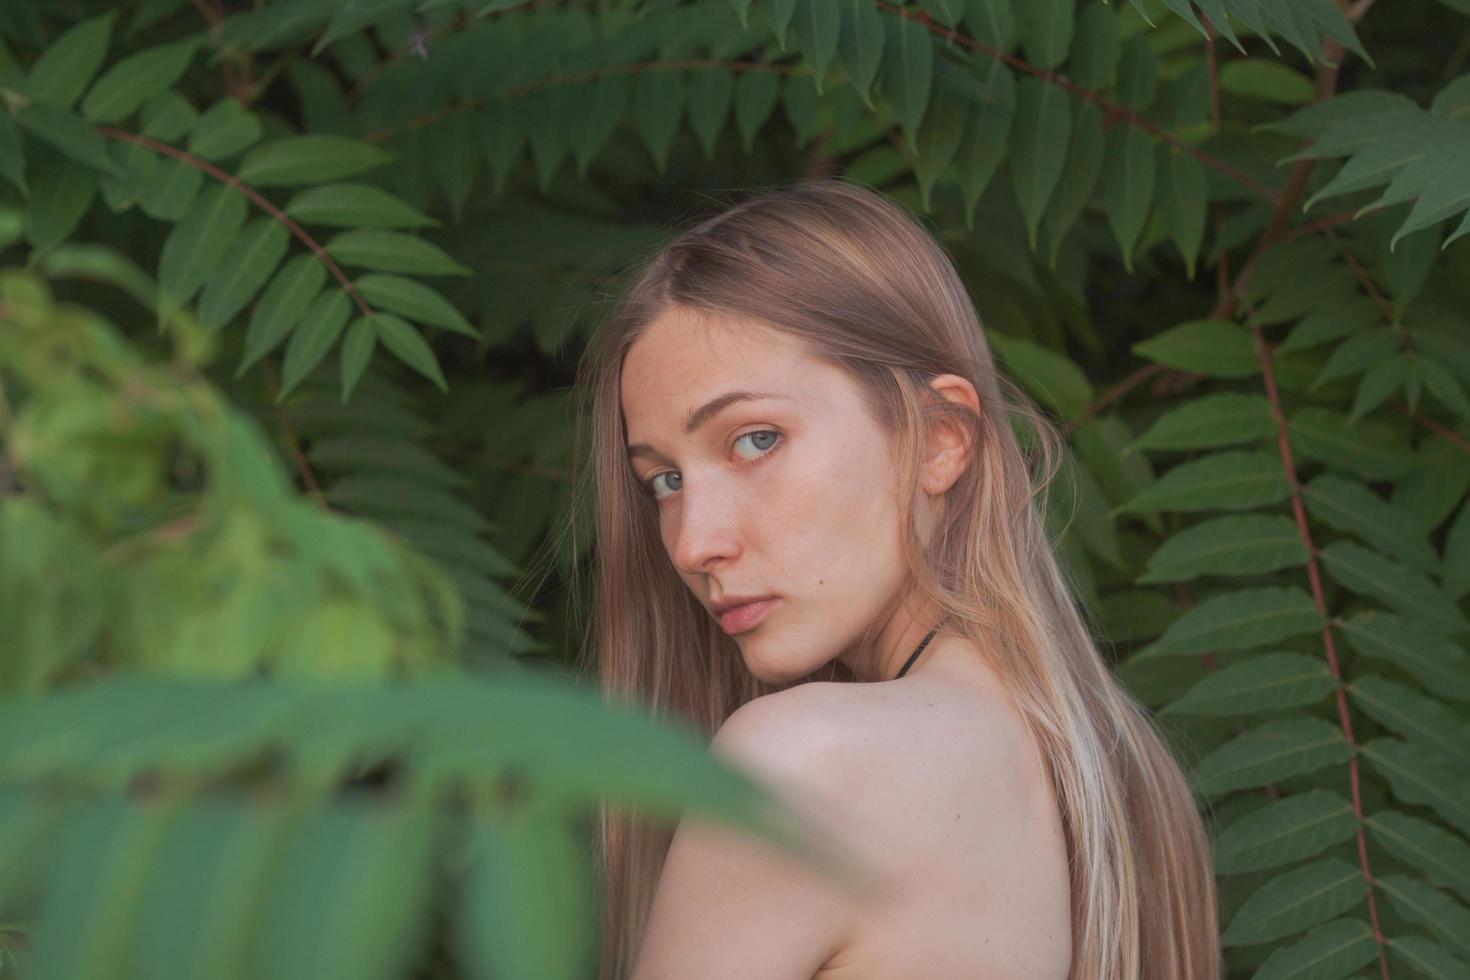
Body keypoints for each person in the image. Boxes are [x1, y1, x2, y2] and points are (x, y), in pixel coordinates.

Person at [567, 177, 1220, 979]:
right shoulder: (1124, 786)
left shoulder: (803, 764)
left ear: (942, 438)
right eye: (663, 481)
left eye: (755, 440)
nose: (694, 542)